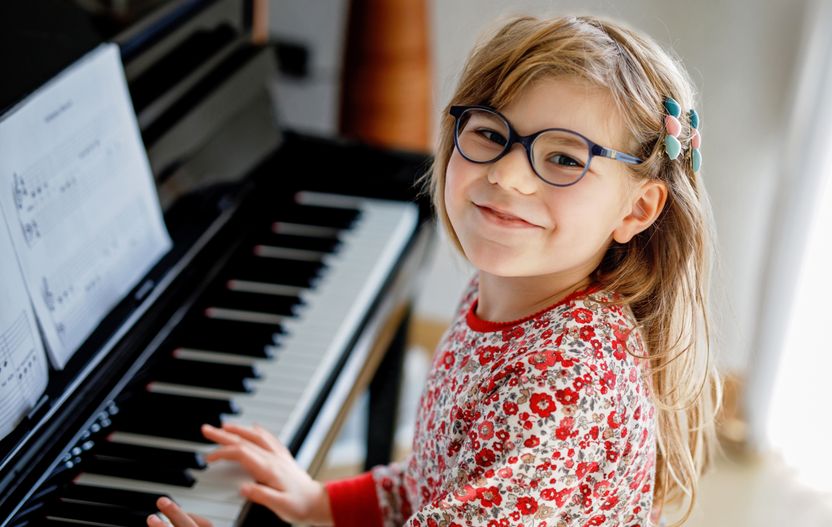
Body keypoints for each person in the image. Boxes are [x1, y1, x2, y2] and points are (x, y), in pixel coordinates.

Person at [148, 14, 720, 527]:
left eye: (565, 159)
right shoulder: (508, 294)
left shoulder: (565, 380)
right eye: (492, 135)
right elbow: (439, 477)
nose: (508, 177)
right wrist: (320, 503)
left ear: (636, 210)